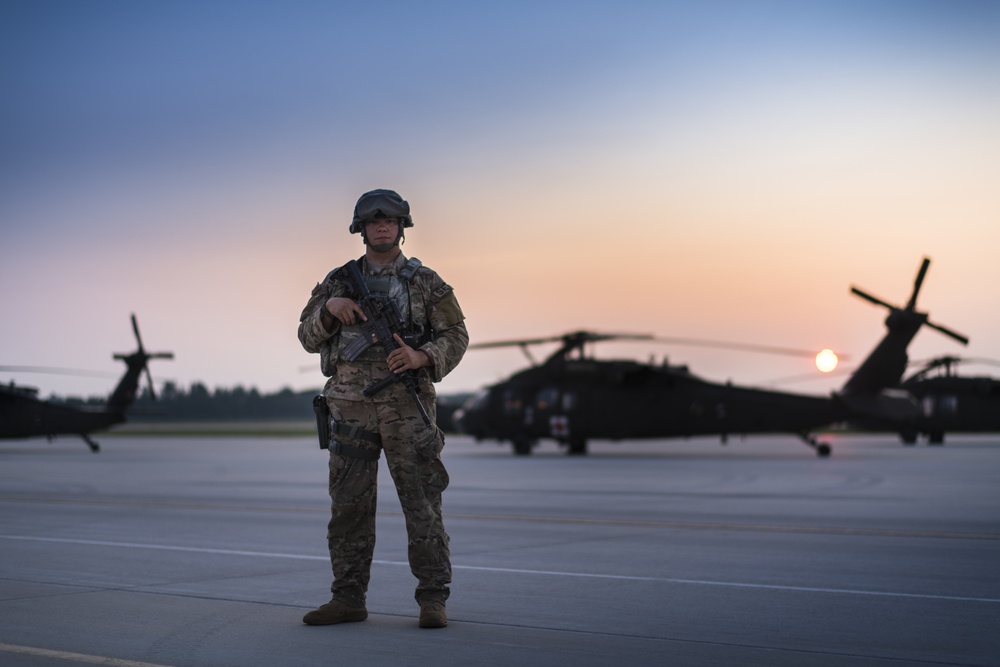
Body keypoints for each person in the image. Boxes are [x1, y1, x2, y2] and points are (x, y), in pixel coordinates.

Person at [297, 189, 469, 629]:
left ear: (401, 227)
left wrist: (422, 357)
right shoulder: (338, 281)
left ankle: (433, 598)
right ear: (361, 229)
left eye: (389, 222)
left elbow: (457, 335)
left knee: (422, 506)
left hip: (406, 409)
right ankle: (348, 598)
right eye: (374, 222)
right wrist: (330, 311)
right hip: (351, 409)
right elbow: (306, 335)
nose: (382, 227)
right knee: (349, 508)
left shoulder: (426, 282)